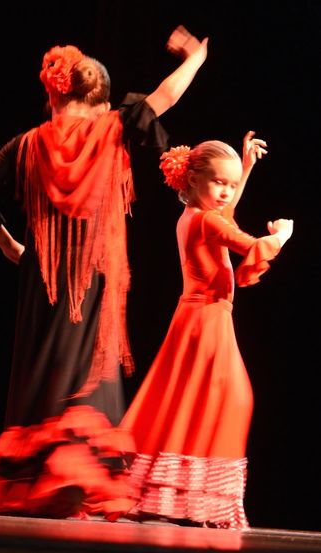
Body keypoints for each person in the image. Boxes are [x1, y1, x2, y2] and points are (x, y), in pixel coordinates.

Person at [0, 26, 209, 519]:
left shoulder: (26, 145)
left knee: (44, 364)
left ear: (55, 91)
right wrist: (194, 58)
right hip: (93, 274)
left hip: (42, 274)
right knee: (86, 368)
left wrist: (9, 246)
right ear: (100, 99)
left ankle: (34, 482)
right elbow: (164, 97)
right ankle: (75, 479)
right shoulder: (113, 128)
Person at [121, 131, 293, 529]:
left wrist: (244, 170)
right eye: (219, 182)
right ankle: (198, 500)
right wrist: (281, 236)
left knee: (190, 402)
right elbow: (247, 244)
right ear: (193, 179)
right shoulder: (205, 222)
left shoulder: (196, 216)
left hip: (203, 318)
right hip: (207, 320)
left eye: (230, 185)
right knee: (233, 397)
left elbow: (225, 212)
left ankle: (177, 496)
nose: (225, 192)